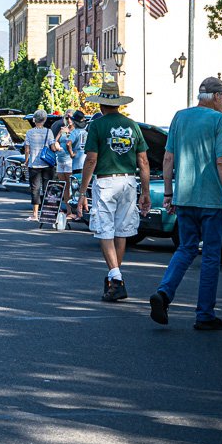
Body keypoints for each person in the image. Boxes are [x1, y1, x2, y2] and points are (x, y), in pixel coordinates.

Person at [149, 77, 222, 330]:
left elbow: (168, 158)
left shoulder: (180, 117)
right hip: (210, 200)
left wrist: (168, 193)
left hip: (184, 197)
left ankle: (164, 293)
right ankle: (205, 314)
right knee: (210, 255)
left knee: (185, 249)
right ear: (217, 97)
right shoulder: (220, 121)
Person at [75, 82, 151, 302]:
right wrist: (144, 191)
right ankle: (114, 278)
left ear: (101, 105)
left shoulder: (97, 126)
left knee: (104, 229)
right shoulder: (132, 125)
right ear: (117, 104)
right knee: (121, 230)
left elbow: (91, 159)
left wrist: (82, 192)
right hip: (128, 181)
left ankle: (116, 278)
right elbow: (143, 161)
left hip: (106, 182)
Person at [23, 109, 57, 221]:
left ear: (34, 120)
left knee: (35, 189)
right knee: (48, 188)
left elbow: (27, 149)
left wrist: (26, 160)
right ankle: (48, 213)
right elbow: (53, 147)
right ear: (45, 119)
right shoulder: (49, 132)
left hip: (34, 164)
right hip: (47, 164)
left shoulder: (29, 132)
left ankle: (35, 214)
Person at [69, 111, 88, 176]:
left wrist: (71, 153)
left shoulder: (75, 132)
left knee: (76, 181)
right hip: (86, 161)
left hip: (77, 162)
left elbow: (68, 143)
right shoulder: (86, 132)